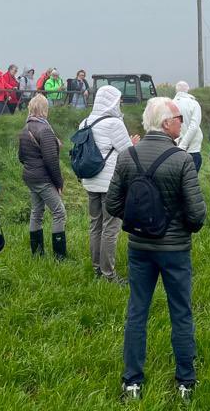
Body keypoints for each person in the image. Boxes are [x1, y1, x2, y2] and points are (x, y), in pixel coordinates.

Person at [106, 97, 206, 401]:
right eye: (178, 117)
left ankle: (132, 382)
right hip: (174, 249)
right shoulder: (182, 159)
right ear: (166, 123)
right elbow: (197, 215)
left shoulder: (127, 156)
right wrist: (178, 228)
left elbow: (112, 204)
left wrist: (139, 223)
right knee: (181, 312)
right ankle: (185, 383)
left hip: (139, 248)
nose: (181, 123)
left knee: (137, 311)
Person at [79, 85, 140, 285]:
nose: (120, 103)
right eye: (118, 100)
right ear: (112, 101)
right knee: (110, 228)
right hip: (110, 183)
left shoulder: (85, 122)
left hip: (90, 181)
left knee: (95, 225)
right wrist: (133, 143)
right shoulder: (114, 123)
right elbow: (127, 153)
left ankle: (97, 268)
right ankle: (108, 274)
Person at [17, 94, 67, 259]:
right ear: (45, 109)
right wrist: (58, 183)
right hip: (42, 178)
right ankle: (60, 256)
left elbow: (21, 157)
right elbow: (51, 161)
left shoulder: (25, 128)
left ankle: (37, 254)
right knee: (59, 212)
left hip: (30, 176)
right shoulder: (45, 129)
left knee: (36, 212)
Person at [173, 81, 203, 173]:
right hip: (192, 149)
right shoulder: (193, 103)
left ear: (176, 90)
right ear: (188, 90)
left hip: (173, 149)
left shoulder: (170, 104)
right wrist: (183, 145)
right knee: (190, 181)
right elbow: (194, 126)